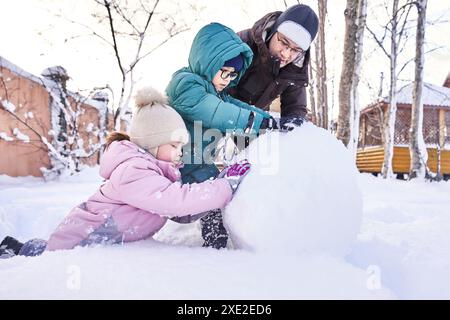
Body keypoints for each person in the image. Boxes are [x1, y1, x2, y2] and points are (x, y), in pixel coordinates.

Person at [0, 87, 251, 259]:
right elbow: (176, 201)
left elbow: (182, 212)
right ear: (152, 144)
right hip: (82, 239)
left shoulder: (155, 173)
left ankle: (19, 246)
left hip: (102, 238)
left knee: (43, 250)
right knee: (44, 256)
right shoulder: (135, 170)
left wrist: (220, 180)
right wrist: (225, 186)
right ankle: (14, 249)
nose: (179, 153)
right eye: (174, 145)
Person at [166, 22, 275, 249]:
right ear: (207, 61)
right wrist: (253, 122)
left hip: (198, 165)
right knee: (210, 195)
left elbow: (239, 107)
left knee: (217, 195)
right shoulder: (185, 84)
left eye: (232, 74)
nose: (227, 79)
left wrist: (270, 120)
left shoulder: (218, 93)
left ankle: (215, 241)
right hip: (174, 168)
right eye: (223, 71)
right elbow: (216, 112)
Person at [228, 4, 319, 131]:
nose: (286, 54)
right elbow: (210, 90)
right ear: (273, 31)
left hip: (252, 125)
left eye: (296, 50)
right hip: (213, 115)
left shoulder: (295, 68)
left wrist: (292, 128)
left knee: (260, 149)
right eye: (283, 42)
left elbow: (295, 108)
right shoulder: (240, 46)